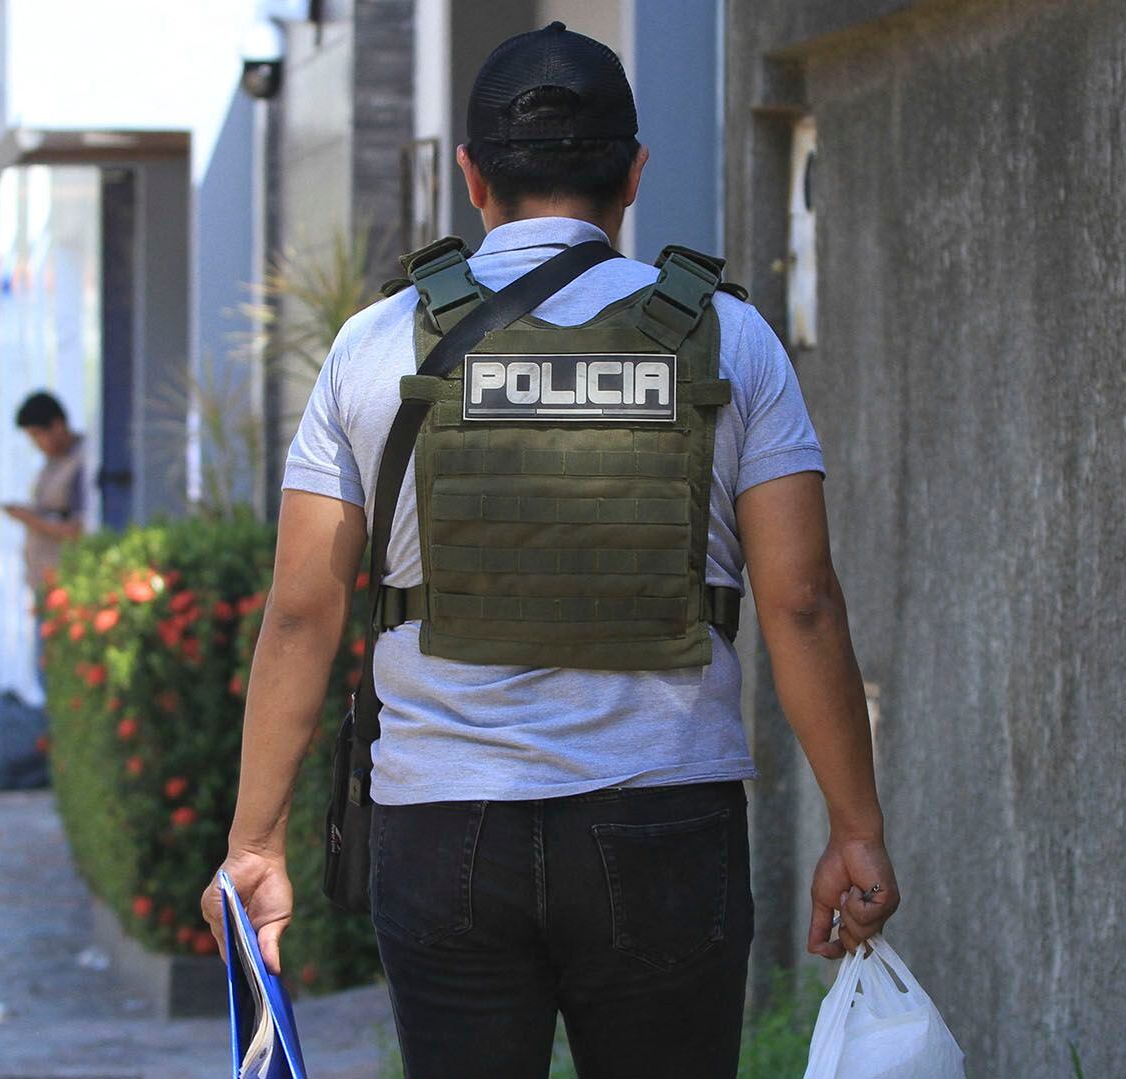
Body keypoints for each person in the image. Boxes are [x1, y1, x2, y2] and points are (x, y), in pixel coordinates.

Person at [203, 22, 896, 1078]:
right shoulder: (726, 336)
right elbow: (801, 601)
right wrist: (854, 824)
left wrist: (256, 842)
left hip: (444, 828)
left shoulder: (377, 343)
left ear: (472, 177)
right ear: (633, 174)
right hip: (665, 817)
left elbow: (304, 608)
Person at [3, 391, 86, 641]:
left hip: (67, 582)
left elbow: (76, 528)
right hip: (44, 581)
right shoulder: (53, 460)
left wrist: (28, 518)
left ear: (57, 426)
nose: (36, 444)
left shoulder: (83, 461)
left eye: (38, 435)